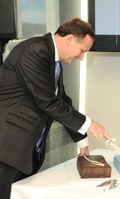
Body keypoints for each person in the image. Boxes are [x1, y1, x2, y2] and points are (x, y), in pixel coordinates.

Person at [0, 18, 112, 199]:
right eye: (82, 51)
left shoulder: (54, 60)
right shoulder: (34, 51)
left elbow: (62, 101)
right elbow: (48, 102)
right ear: (69, 39)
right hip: (7, 148)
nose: (82, 58)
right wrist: (89, 124)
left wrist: (81, 141)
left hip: (25, 152)